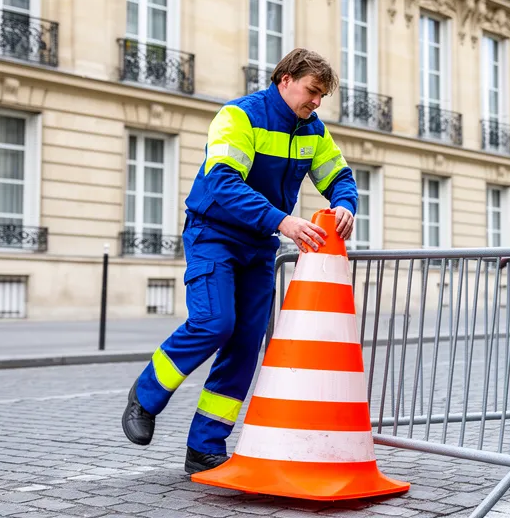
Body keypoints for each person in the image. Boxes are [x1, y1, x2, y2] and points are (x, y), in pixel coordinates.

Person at [121, 48, 358, 474]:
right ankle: (146, 394)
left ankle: (205, 447)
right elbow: (223, 183)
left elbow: (338, 177)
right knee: (215, 323)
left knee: (246, 345)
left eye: (322, 95)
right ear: (285, 79)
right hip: (214, 234)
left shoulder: (313, 130)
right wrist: (282, 221)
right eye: (312, 91)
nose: (317, 102)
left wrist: (345, 205)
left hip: (259, 245)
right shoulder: (238, 116)